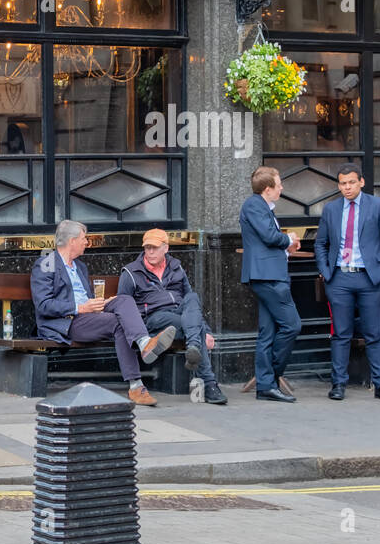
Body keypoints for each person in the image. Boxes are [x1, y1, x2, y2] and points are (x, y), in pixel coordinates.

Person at [30, 219, 175, 406]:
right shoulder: (46, 263)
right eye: (84, 238)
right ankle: (136, 385)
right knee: (118, 322)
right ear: (72, 240)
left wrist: (101, 303)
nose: (86, 242)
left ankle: (145, 343)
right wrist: (80, 307)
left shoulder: (80, 266)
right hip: (67, 321)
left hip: (88, 315)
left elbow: (87, 299)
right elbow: (43, 304)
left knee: (123, 300)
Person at [315, 165, 380, 404]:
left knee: (373, 333)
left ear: (361, 182)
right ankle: (338, 383)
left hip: (370, 278)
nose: (347, 188)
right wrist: (325, 270)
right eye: (343, 183)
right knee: (341, 334)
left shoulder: (378, 206)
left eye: (351, 182)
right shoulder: (331, 209)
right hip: (340, 278)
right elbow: (320, 243)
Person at [119, 228, 226, 405]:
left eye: (154, 247)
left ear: (166, 248)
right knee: (193, 327)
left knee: (193, 298)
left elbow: (191, 304)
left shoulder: (176, 267)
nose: (150, 252)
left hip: (181, 316)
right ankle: (209, 383)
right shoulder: (131, 272)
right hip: (154, 318)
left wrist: (206, 330)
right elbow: (123, 306)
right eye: (147, 248)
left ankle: (193, 346)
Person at [239, 166, 299, 403]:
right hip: (268, 276)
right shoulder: (254, 205)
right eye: (279, 183)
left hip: (269, 274)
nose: (282, 187)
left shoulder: (262, 207)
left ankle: (266, 386)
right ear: (267, 189)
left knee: (268, 332)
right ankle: (271, 377)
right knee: (292, 325)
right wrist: (289, 239)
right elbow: (270, 236)